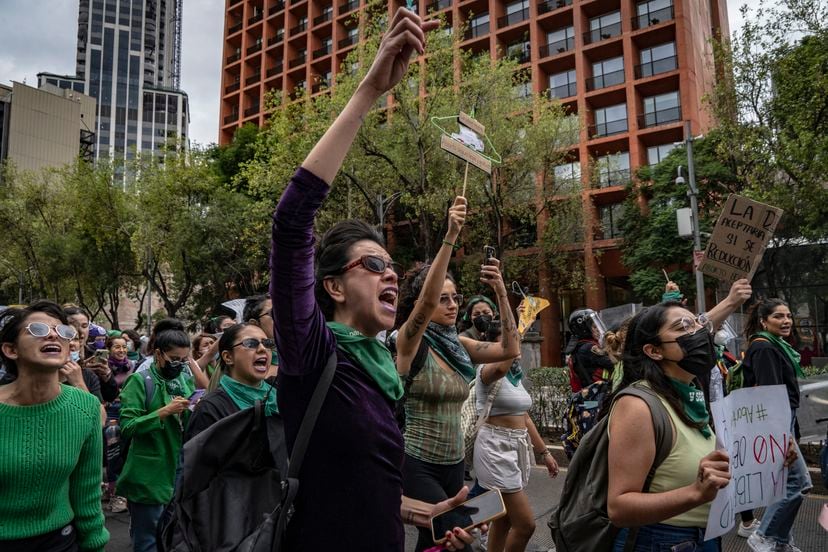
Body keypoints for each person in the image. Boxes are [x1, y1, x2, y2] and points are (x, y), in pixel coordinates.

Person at [271, 8, 476, 551]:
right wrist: (368, 91)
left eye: (391, 265)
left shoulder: (383, 363)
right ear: (334, 286)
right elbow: (291, 225)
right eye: (374, 264)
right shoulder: (311, 352)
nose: (390, 274)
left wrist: (420, 513)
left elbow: (355, 482)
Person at [395, 243, 521, 552]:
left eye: (455, 298)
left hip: (454, 464)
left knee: (435, 543)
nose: (452, 305)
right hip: (416, 462)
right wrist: (451, 236)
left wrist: (501, 291)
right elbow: (421, 308)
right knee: (459, 542)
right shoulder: (410, 343)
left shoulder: (459, 346)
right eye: (442, 298)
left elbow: (510, 349)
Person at [605, 302, 731, 551]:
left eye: (697, 323)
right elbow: (619, 508)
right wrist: (696, 492)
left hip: (705, 536)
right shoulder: (638, 405)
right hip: (660, 541)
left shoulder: (691, 395)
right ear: (654, 351)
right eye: (682, 327)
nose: (697, 331)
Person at [0, 301, 109, 551]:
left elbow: (88, 495)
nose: (52, 334)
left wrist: (95, 545)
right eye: (37, 329)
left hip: (60, 542)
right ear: (10, 349)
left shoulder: (86, 408)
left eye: (63, 332)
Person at [471, 320, 558, 551]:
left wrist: (545, 453)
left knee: (505, 519)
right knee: (525, 525)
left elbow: (525, 417)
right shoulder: (486, 371)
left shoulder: (515, 378)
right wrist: (517, 333)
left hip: (517, 447)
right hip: (494, 446)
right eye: (507, 343)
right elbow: (499, 367)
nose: (514, 348)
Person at [117, 323, 195, 552]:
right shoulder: (140, 381)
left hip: (178, 468)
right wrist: (164, 412)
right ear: (158, 354)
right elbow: (128, 426)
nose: (179, 365)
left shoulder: (183, 380)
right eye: (174, 359)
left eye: (184, 360)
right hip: (148, 473)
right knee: (147, 539)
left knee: (172, 535)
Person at [743, 299, 812, 552]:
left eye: (788, 315)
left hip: (785, 418)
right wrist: (784, 437)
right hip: (778, 422)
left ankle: (782, 543)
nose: (786, 321)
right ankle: (764, 534)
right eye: (778, 317)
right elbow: (769, 396)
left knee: (785, 484)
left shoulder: (776, 346)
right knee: (799, 483)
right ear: (764, 321)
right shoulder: (764, 348)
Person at [185, 323, 278, 442]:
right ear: (228, 357)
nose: (262, 349)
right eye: (250, 343)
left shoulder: (279, 394)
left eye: (267, 343)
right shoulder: (210, 408)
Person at [565, 308, 613, 392]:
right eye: (594, 327)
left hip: (590, 396)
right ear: (585, 329)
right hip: (596, 397)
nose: (598, 329)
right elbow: (613, 363)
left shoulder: (579, 346)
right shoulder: (588, 348)